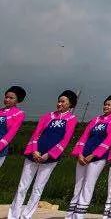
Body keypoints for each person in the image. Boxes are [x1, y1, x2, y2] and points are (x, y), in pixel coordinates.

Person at [9, 90, 79, 219]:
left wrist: (49, 154)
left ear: (70, 104)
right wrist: (34, 150)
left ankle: (26, 216)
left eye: (63, 101)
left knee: (37, 188)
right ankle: (13, 216)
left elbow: (65, 140)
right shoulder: (47, 116)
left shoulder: (71, 119)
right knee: (22, 186)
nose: (59, 104)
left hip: (49, 158)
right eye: (59, 101)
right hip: (33, 155)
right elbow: (36, 134)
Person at [66, 95, 111, 219]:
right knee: (78, 185)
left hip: (97, 158)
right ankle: (70, 215)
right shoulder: (96, 119)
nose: (106, 106)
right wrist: (80, 153)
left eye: (109, 104)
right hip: (83, 156)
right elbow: (84, 137)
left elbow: (109, 140)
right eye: (105, 104)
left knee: (88, 185)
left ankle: (79, 216)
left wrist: (93, 155)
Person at [0, 86, 27, 170]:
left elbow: (11, 133)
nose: (7, 100)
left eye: (11, 98)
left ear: (17, 100)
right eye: (6, 97)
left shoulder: (19, 113)